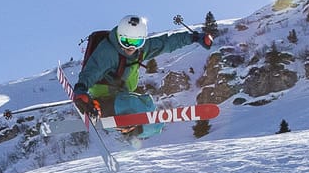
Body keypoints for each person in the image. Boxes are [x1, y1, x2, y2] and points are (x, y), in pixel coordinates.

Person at [73, 15, 211, 117]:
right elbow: (92, 70)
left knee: (151, 113)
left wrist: (194, 38)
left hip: (122, 94)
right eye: (126, 41)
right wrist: (80, 90)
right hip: (105, 94)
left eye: (137, 42)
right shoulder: (108, 51)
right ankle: (100, 107)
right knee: (137, 106)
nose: (131, 47)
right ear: (119, 36)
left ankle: (132, 128)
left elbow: (167, 43)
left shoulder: (141, 50)